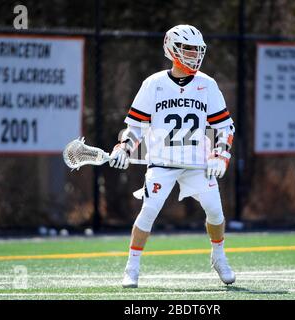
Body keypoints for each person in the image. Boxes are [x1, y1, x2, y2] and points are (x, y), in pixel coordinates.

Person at [109, 24, 236, 288]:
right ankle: (132, 266)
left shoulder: (207, 85)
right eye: (188, 49)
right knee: (149, 210)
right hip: (162, 162)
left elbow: (224, 127)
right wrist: (124, 147)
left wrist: (220, 155)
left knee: (215, 211)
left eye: (197, 49)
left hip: (197, 162)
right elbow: (136, 127)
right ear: (172, 49)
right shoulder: (153, 84)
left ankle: (219, 256)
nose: (194, 55)